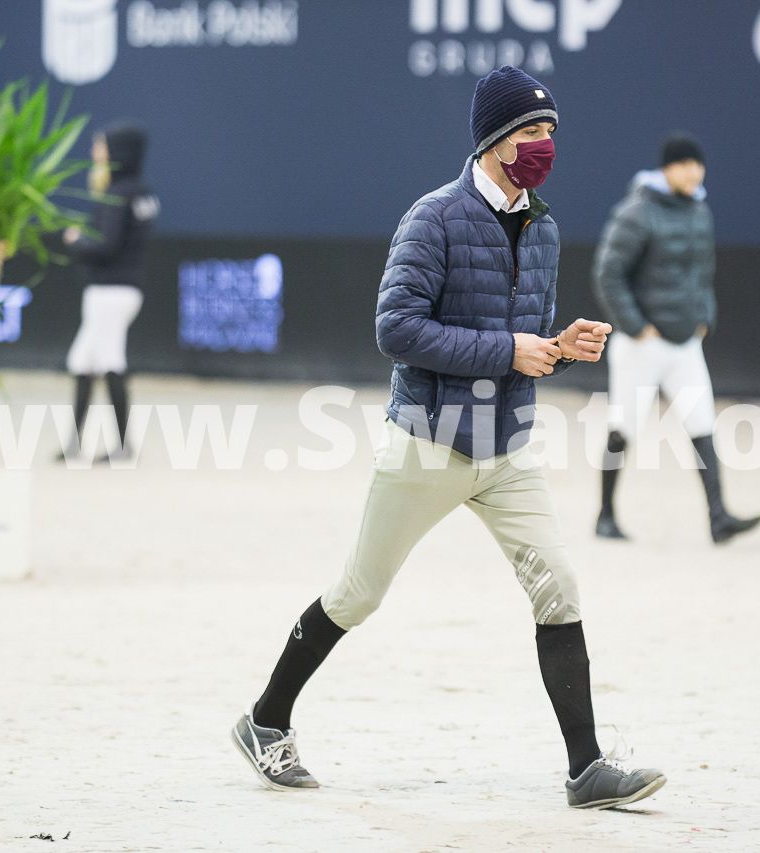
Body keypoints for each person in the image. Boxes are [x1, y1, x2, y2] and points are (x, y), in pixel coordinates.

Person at [233, 66, 667, 810]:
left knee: (557, 586)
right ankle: (265, 720)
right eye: (533, 131)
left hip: (508, 448)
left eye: (551, 131)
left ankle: (587, 767)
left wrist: (559, 348)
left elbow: (524, 343)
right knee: (358, 593)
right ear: (495, 140)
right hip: (427, 443)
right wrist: (509, 350)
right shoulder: (432, 218)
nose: (546, 144)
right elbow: (395, 329)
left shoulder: (545, 226)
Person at [593, 133, 760, 544]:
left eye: (698, 164)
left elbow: (703, 273)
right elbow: (608, 273)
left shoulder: (699, 211)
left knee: (702, 422)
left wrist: (705, 316)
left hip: (685, 342)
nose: (694, 172)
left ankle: (719, 517)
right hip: (641, 346)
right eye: (685, 164)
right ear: (667, 168)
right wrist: (637, 327)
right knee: (625, 426)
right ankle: (605, 515)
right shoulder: (636, 212)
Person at [60, 123, 159, 463]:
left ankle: (123, 446)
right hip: (122, 290)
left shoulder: (118, 194)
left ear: (118, 151)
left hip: (110, 292)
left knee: (110, 360)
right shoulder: (142, 193)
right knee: (82, 360)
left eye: (100, 146)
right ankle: (74, 444)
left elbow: (106, 247)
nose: (95, 152)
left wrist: (77, 240)